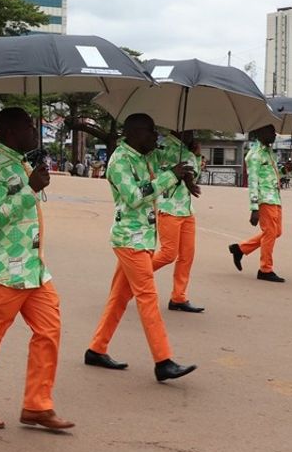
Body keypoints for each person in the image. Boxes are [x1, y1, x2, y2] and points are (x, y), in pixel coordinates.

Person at [0, 108, 73, 431]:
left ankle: (37, 405)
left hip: (33, 268)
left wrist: (34, 181)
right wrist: (29, 189)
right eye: (29, 127)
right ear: (10, 132)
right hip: (5, 269)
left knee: (49, 331)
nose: (35, 131)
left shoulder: (20, 161)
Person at [84, 113, 198, 383]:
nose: (156, 136)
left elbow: (173, 164)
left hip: (143, 238)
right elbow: (135, 197)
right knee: (147, 298)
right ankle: (163, 361)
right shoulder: (119, 161)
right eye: (151, 131)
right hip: (129, 239)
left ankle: (96, 349)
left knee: (119, 298)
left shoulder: (147, 156)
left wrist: (185, 169)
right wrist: (170, 177)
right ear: (134, 133)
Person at [151, 130, 205, 313]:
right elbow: (165, 175)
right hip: (169, 208)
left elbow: (194, 177)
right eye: (189, 130)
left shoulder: (186, 150)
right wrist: (185, 174)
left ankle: (178, 297)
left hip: (186, 210)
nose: (192, 133)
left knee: (187, 256)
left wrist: (196, 156)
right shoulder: (164, 147)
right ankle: (135, 274)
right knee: (168, 254)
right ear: (178, 129)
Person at [229, 124, 285, 283]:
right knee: (270, 232)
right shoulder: (254, 155)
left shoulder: (269, 152)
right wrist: (254, 208)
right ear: (260, 133)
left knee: (276, 232)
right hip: (264, 198)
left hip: (275, 197)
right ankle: (265, 269)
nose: (274, 135)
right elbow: (252, 182)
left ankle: (240, 249)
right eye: (271, 132)